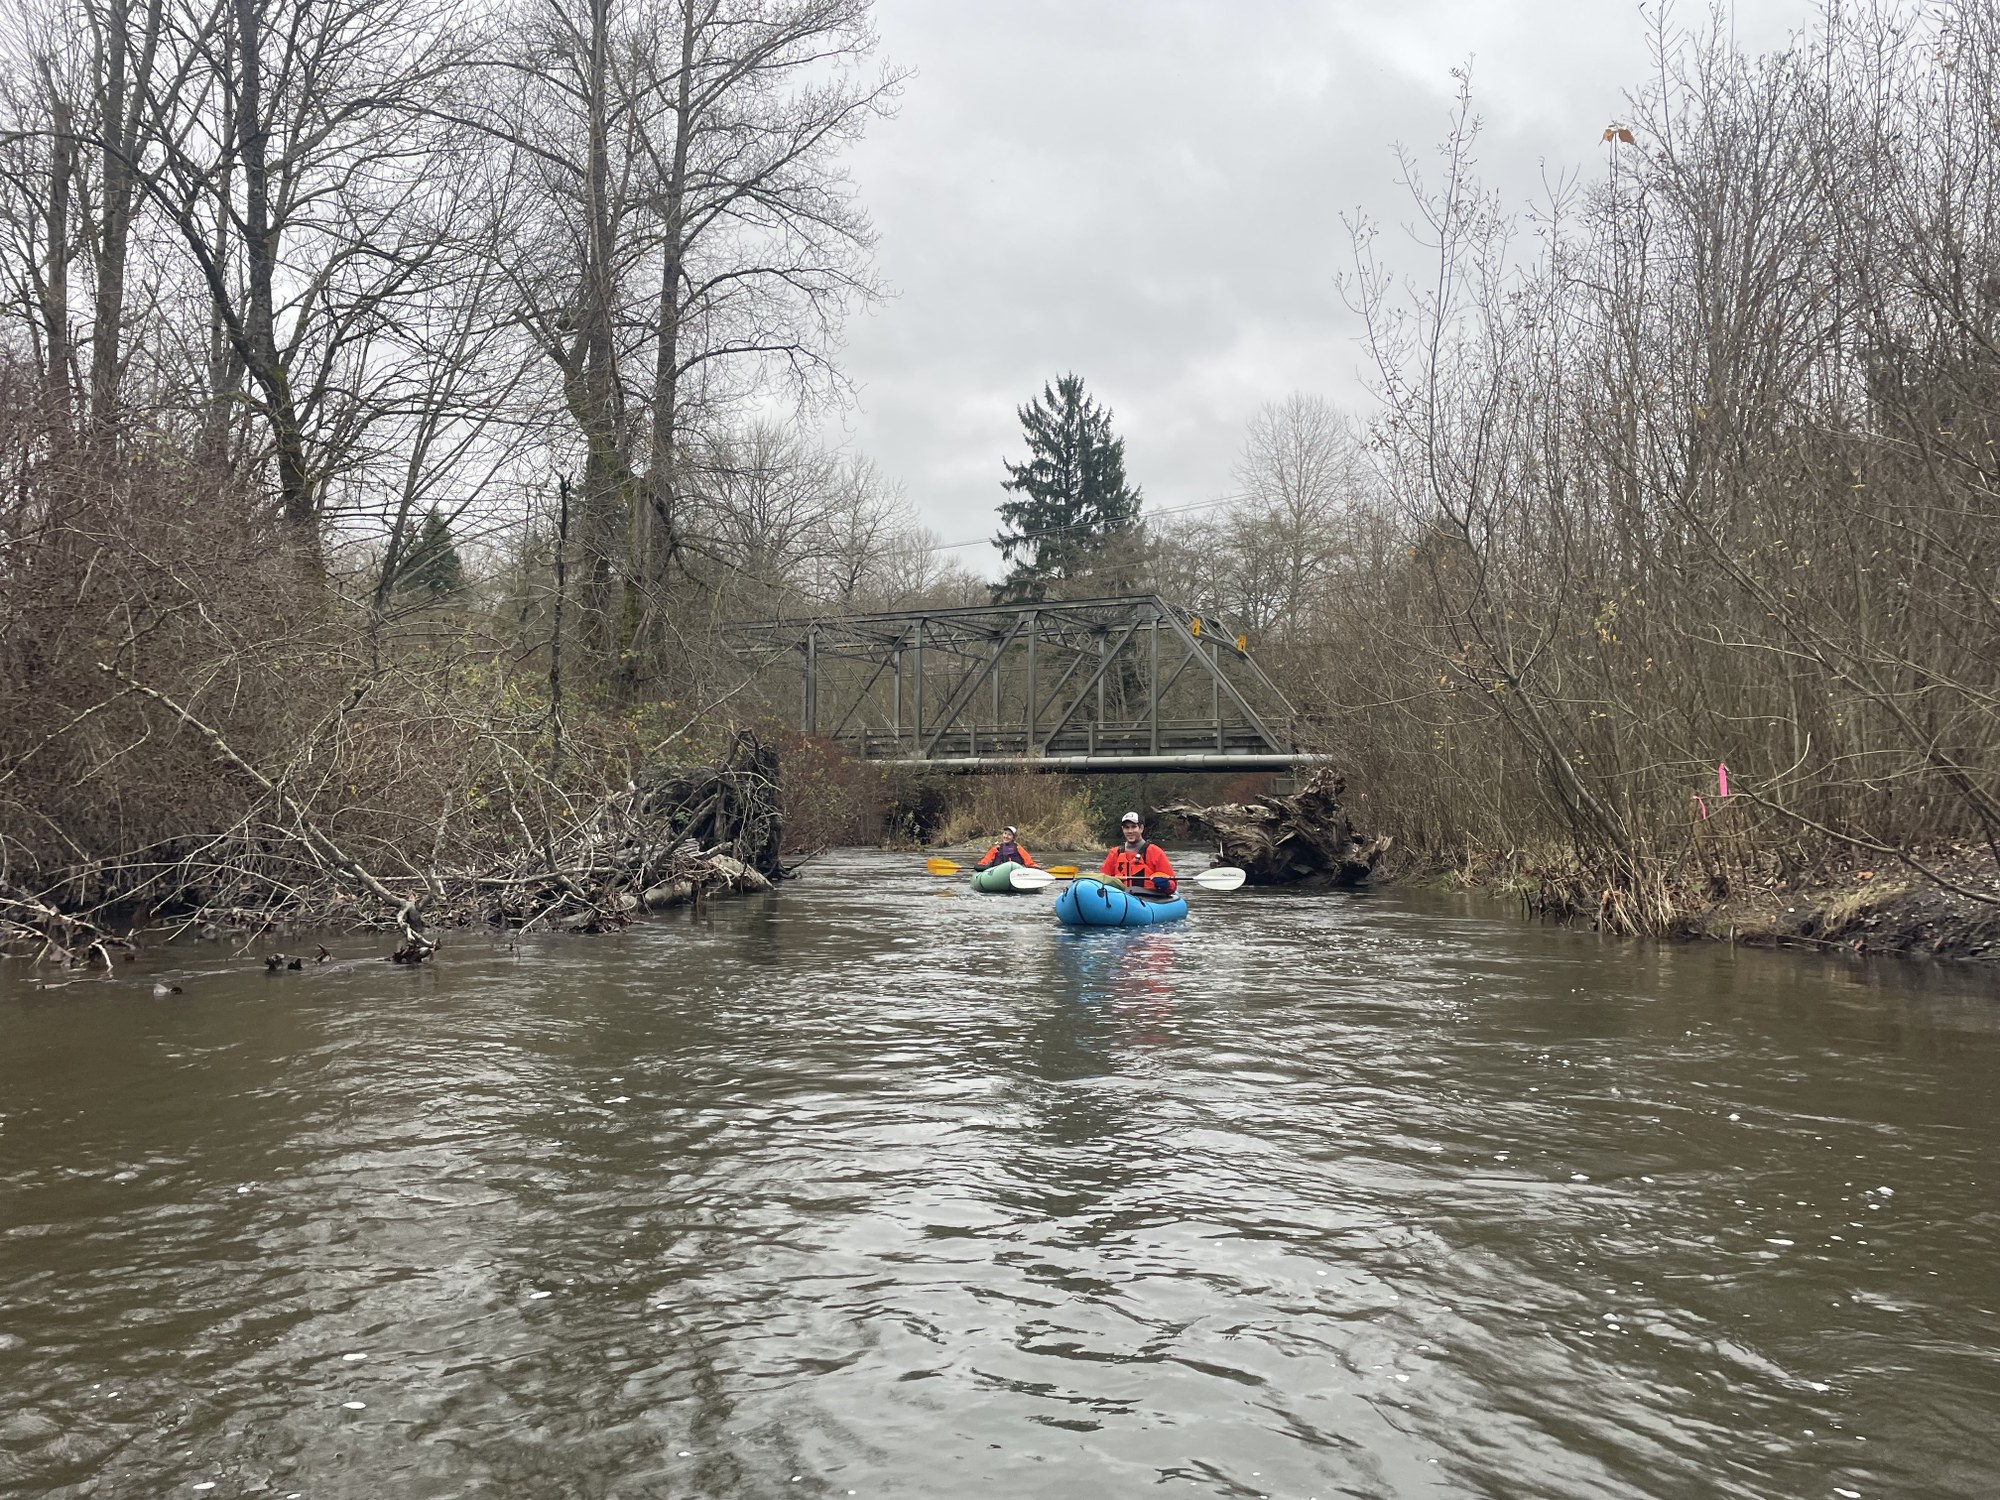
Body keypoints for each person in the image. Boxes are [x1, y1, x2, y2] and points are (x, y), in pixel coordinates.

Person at [1100, 811, 1176, 896]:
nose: (1130, 831)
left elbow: (1172, 885)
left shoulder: (1155, 852)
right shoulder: (1114, 853)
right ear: (1123, 829)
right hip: (1121, 898)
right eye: (1126, 827)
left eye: (1133, 827)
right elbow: (1103, 879)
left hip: (1149, 899)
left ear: (1141, 828)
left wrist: (1166, 884)